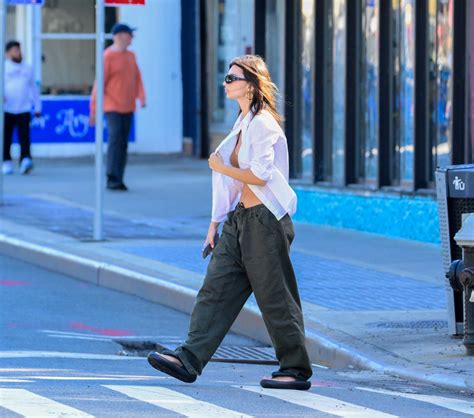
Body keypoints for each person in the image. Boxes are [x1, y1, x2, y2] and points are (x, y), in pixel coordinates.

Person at [147, 55, 313, 391]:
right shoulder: (243, 122)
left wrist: (220, 167)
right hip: (239, 220)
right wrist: (214, 224)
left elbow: (260, 176)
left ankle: (295, 369)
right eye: (226, 77)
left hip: (265, 221)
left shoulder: (264, 123)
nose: (226, 82)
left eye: (231, 77)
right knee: (216, 288)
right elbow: (229, 183)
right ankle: (189, 358)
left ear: (251, 85)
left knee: (275, 296)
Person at [90, 23, 146, 191]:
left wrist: (141, 96)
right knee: (115, 140)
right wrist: (93, 108)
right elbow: (99, 83)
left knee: (123, 142)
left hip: (128, 106)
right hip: (112, 106)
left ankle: (119, 177)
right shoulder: (107, 56)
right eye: (130, 34)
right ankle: (112, 177)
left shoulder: (131, 56)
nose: (132, 38)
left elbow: (137, 78)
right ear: (120, 36)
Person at [2, 40, 41, 175]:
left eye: (19, 50)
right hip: (7, 109)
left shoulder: (28, 68)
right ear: (8, 53)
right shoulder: (4, 67)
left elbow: (34, 88)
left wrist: (37, 107)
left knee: (24, 136)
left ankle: (25, 160)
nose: (18, 53)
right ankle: (6, 162)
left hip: (24, 108)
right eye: (15, 50)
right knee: (6, 137)